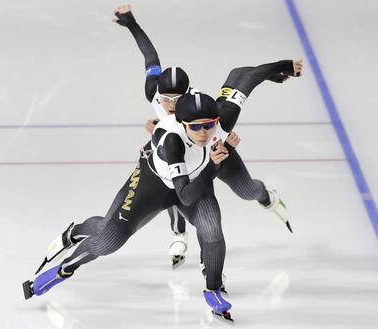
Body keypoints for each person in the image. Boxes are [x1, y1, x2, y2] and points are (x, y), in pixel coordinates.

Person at [23, 55, 301, 321]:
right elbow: (184, 197)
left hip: (197, 175)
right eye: (197, 128)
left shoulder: (224, 118)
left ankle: (213, 289)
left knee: (213, 231)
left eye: (210, 125)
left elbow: (246, 78)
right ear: (182, 123)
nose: (205, 133)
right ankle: (65, 265)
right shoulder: (171, 141)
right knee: (110, 240)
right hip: (156, 185)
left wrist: (283, 67)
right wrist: (214, 164)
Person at [113, 4, 299, 268]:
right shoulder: (154, 90)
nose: (170, 106)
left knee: (246, 191)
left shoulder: (207, 107)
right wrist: (132, 24)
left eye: (177, 100)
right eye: (165, 99)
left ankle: (266, 196)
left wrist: (276, 70)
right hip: (183, 151)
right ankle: (179, 232)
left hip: (215, 151)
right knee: (169, 180)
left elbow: (242, 83)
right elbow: (151, 57)